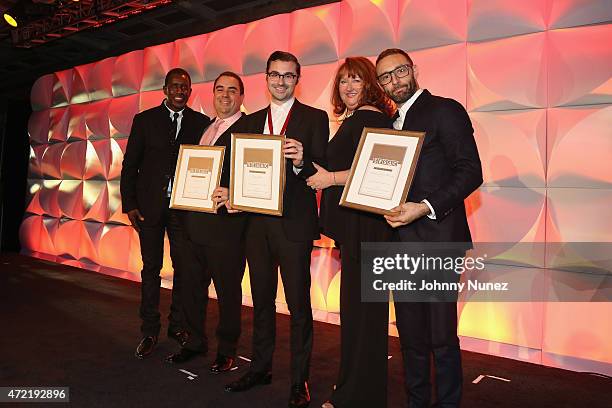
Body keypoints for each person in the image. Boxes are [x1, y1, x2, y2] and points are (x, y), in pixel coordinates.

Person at [375, 48, 482, 408]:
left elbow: (471, 171)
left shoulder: (444, 109)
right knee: (411, 338)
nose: (394, 81)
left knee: (441, 338)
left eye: (399, 71)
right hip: (398, 244)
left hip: (437, 243)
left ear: (413, 70)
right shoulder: (389, 128)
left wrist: (424, 208)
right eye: (386, 77)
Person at [223, 51, 329, 408]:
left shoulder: (316, 119)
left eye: (288, 75)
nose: (281, 81)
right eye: (274, 75)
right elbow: (241, 172)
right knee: (262, 303)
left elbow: (322, 175)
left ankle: (300, 381)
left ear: (297, 79)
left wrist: (301, 161)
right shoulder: (249, 123)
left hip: (294, 225)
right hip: (256, 226)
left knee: (299, 307)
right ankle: (261, 368)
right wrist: (232, 194)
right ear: (265, 78)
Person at [305, 57, 395, 408]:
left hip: (368, 232)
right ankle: (356, 395)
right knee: (359, 319)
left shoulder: (373, 119)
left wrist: (330, 178)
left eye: (356, 79)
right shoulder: (358, 119)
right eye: (343, 81)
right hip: (358, 232)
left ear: (370, 83)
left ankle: (357, 398)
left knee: (365, 321)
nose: (349, 86)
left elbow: (376, 170)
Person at [120, 68, 210, 359]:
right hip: (149, 209)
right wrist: (129, 204)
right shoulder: (144, 120)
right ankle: (149, 329)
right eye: (174, 86)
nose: (179, 90)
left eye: (185, 86)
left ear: (190, 90)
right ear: (165, 89)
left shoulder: (201, 123)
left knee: (184, 269)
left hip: (184, 210)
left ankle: (177, 325)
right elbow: (129, 165)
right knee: (151, 269)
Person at [164, 72, 248, 374]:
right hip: (194, 225)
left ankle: (227, 350)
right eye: (220, 89)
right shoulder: (204, 127)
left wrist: (234, 192)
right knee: (192, 289)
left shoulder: (249, 128)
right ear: (213, 94)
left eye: (232, 91)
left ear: (241, 96)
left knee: (227, 292)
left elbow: (254, 178)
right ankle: (194, 342)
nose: (225, 95)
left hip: (226, 229)